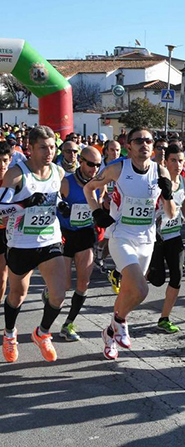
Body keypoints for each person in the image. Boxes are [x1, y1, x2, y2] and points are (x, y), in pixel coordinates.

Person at [84, 126, 177, 360]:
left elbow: (172, 214)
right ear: (129, 146)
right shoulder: (117, 168)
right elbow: (89, 188)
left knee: (128, 292)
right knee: (141, 289)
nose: (144, 144)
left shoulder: (160, 171)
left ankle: (109, 334)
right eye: (138, 141)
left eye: (148, 141)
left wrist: (168, 196)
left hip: (146, 239)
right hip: (121, 235)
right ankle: (120, 322)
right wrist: (96, 212)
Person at [2, 125, 68, 363]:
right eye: (43, 147)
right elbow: (0, 210)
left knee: (59, 294)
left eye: (52, 147)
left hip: (49, 239)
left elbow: (56, 197)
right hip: (20, 242)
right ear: (30, 148)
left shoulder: (58, 172)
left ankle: (42, 333)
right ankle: (9, 334)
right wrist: (24, 203)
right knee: (18, 295)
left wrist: (61, 206)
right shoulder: (16, 175)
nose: (49, 152)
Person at [146, 144, 185, 333]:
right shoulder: (158, 183)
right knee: (158, 279)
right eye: (173, 160)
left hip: (174, 235)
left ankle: (164, 318)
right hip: (156, 238)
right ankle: (129, 275)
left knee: (177, 276)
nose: (178, 164)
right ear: (165, 162)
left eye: (181, 161)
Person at [55, 146, 103, 342]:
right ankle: (51, 290)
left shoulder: (99, 183)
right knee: (64, 285)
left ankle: (68, 324)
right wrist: (62, 209)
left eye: (98, 165)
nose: (94, 169)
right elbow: (52, 206)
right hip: (66, 235)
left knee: (84, 282)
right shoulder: (66, 183)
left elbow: (98, 204)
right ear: (81, 162)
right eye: (91, 164)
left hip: (84, 234)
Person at [0, 142, 11, 305]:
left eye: (4, 160)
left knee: (2, 278)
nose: (1, 165)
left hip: (6, 234)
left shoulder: (15, 181)